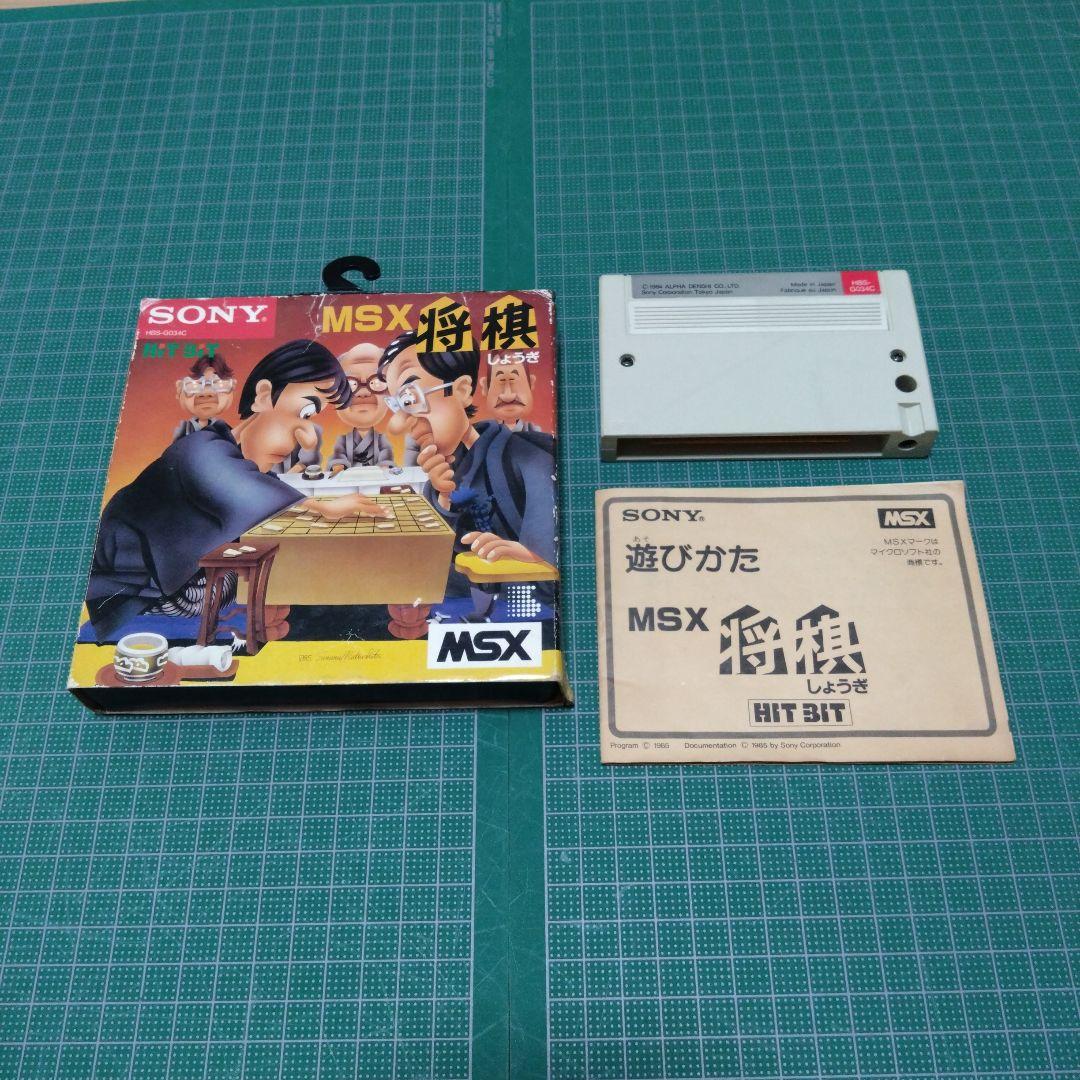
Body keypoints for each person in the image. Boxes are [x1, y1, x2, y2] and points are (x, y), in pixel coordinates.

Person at [86, 339, 392, 641]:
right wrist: (322, 506)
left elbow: (253, 484)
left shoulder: (228, 455)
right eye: (305, 414)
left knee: (289, 583)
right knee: (282, 582)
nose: (308, 438)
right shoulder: (201, 449)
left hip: (182, 584)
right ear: (263, 395)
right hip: (140, 597)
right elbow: (234, 484)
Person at [377, 332, 555, 614]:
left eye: (410, 398)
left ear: (461, 390)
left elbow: (553, 541)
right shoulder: (444, 474)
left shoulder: (528, 457)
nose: (398, 424)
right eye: (396, 405)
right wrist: (444, 499)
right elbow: (444, 553)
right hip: (475, 602)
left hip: (529, 604)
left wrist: (527, 554)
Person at [327, 342, 394, 471]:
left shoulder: (381, 440)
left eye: (377, 381)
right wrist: (338, 465)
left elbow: (386, 455)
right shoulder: (343, 440)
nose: (364, 393)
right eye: (350, 383)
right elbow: (338, 455)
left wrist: (384, 467)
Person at [171, 355, 236, 441]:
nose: (206, 392)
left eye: (218, 384)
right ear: (179, 389)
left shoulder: (224, 429)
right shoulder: (184, 429)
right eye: (195, 385)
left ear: (233, 386)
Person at [479, 353, 542, 432]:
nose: (508, 396)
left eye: (515, 382)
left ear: (531, 383)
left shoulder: (535, 433)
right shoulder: (481, 433)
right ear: (485, 387)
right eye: (501, 381)